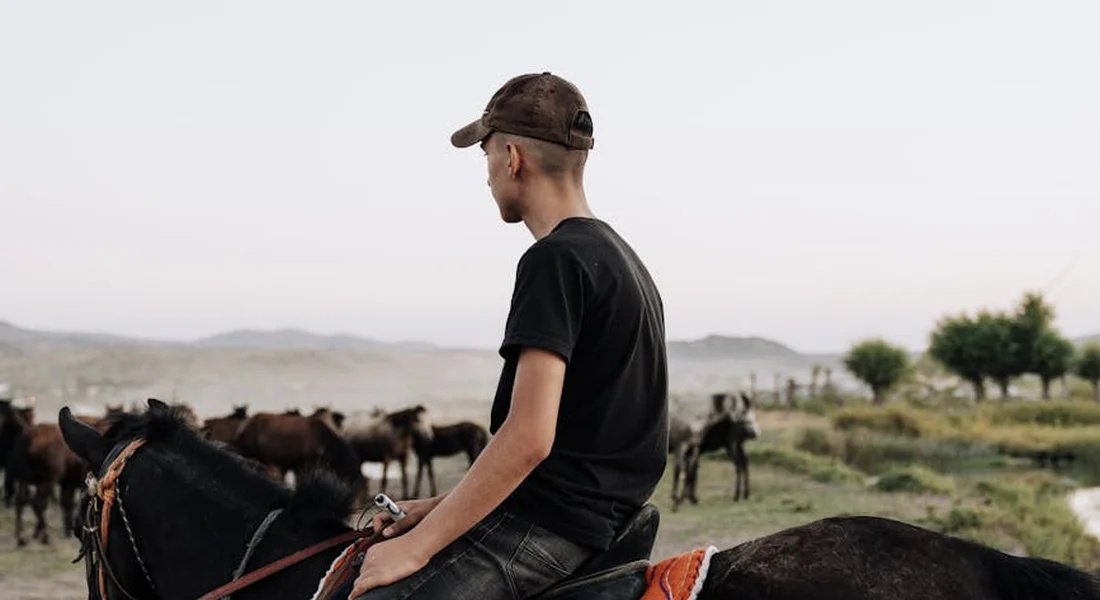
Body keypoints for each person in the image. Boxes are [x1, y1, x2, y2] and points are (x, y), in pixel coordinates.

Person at [348, 72, 669, 600]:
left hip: (546, 533)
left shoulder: (553, 260)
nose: (488, 174)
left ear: (512, 157)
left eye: (486, 157)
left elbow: (528, 438)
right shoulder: (623, 261)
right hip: (600, 524)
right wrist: (437, 506)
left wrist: (419, 544)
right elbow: (581, 444)